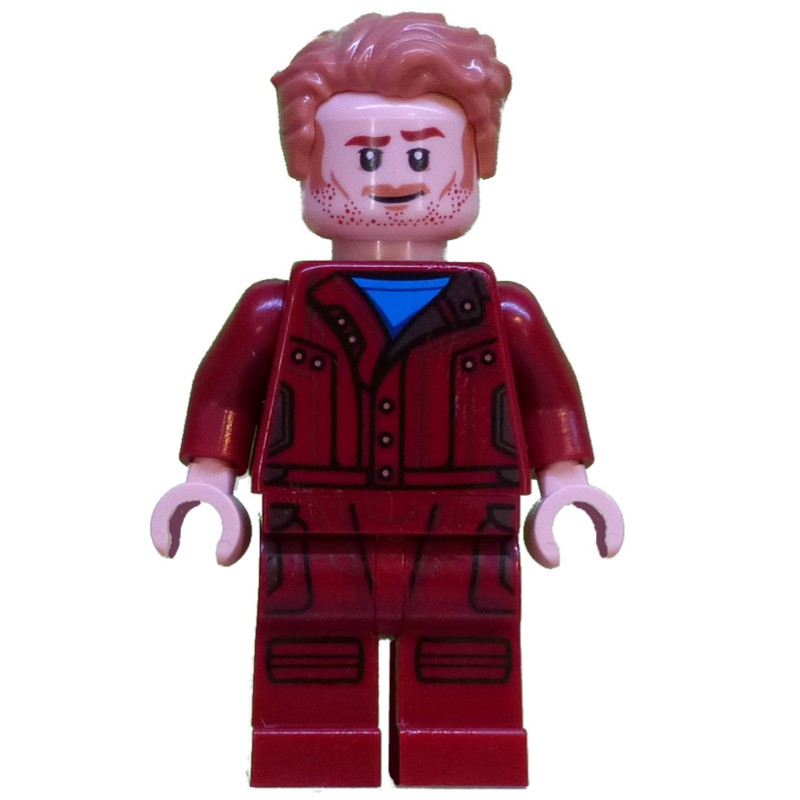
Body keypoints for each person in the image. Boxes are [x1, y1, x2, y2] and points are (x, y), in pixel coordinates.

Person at [151, 12, 623, 788]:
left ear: (475, 166)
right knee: (310, 667)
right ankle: (311, 749)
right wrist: (207, 480)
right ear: (308, 169)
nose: (395, 177)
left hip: (467, 527)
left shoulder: (504, 311)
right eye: (366, 155)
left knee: (466, 668)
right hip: (316, 526)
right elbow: (225, 390)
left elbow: (547, 404)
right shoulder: (276, 308)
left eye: (422, 154)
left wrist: (567, 483)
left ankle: (460, 749)